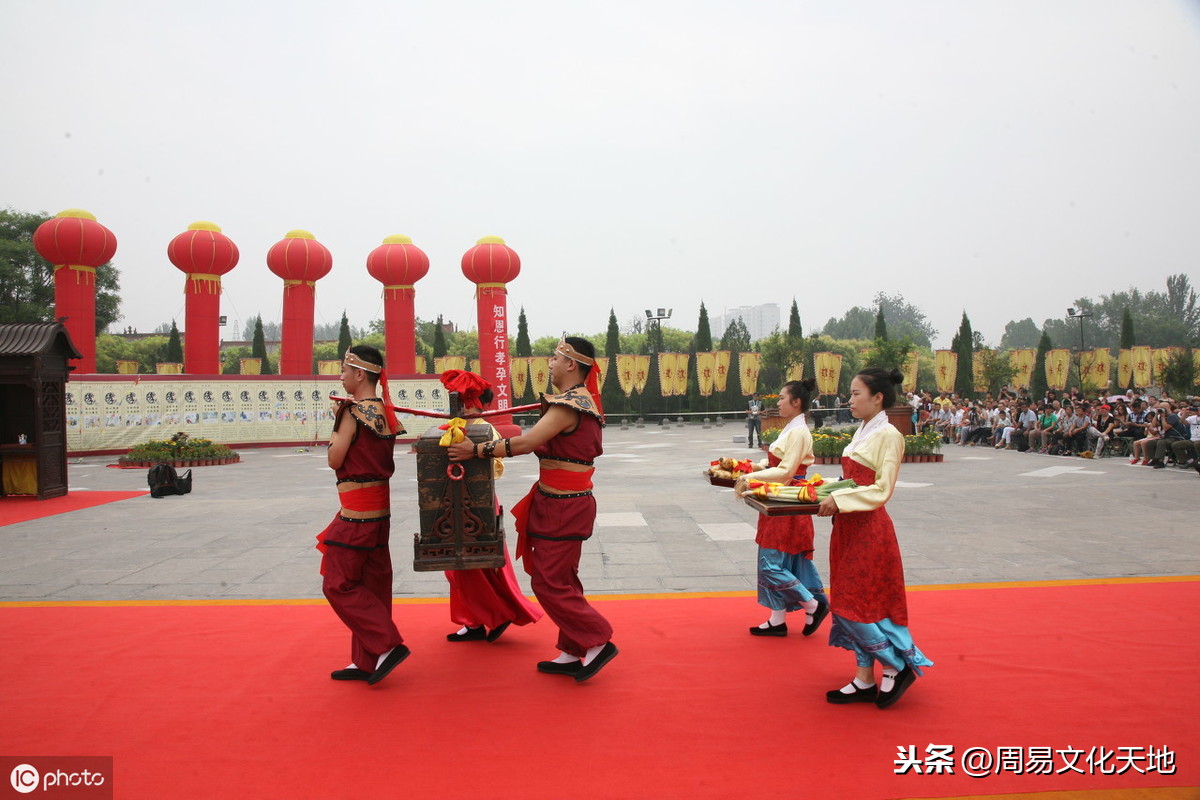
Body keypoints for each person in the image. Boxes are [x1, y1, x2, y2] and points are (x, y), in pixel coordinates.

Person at [448, 337, 617, 683]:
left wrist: (476, 451)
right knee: (561, 577)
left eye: (555, 358)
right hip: (558, 501)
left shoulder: (570, 404)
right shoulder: (574, 401)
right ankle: (573, 648)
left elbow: (525, 443)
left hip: (564, 506)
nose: (550, 363)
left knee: (548, 581)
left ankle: (597, 638)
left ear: (572, 364)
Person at [817, 367, 933, 709]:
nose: (849, 399)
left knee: (854, 605)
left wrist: (839, 499)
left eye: (855, 394)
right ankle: (864, 678)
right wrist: (823, 490)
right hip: (848, 527)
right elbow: (851, 479)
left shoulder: (889, 435)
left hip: (869, 530)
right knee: (853, 600)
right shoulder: (865, 430)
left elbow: (882, 490)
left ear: (877, 397)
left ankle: (897, 665)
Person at [318, 346, 409, 685]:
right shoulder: (384, 412)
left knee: (338, 583)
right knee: (373, 584)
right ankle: (366, 659)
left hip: (356, 513)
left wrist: (334, 431)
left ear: (359, 374)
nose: (340, 376)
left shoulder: (351, 412)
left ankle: (387, 644)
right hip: (379, 512)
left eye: (344, 370)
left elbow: (335, 459)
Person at [438, 370, 544, 643]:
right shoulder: (455, 427)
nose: (457, 406)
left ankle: (497, 614)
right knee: (457, 566)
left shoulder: (484, 429)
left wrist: (472, 449)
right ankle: (472, 620)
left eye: (460, 400)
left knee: (479, 565)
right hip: (454, 502)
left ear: (471, 402)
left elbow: (495, 467)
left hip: (479, 503)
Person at [734, 378, 829, 638]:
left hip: (786, 498)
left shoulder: (799, 431)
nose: (778, 402)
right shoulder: (793, 428)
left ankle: (812, 604)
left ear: (796, 402)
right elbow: (778, 463)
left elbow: (787, 471)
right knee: (783, 559)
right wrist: (751, 468)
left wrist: (750, 479)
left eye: (782, 398)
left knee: (771, 563)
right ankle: (777, 619)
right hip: (779, 496)